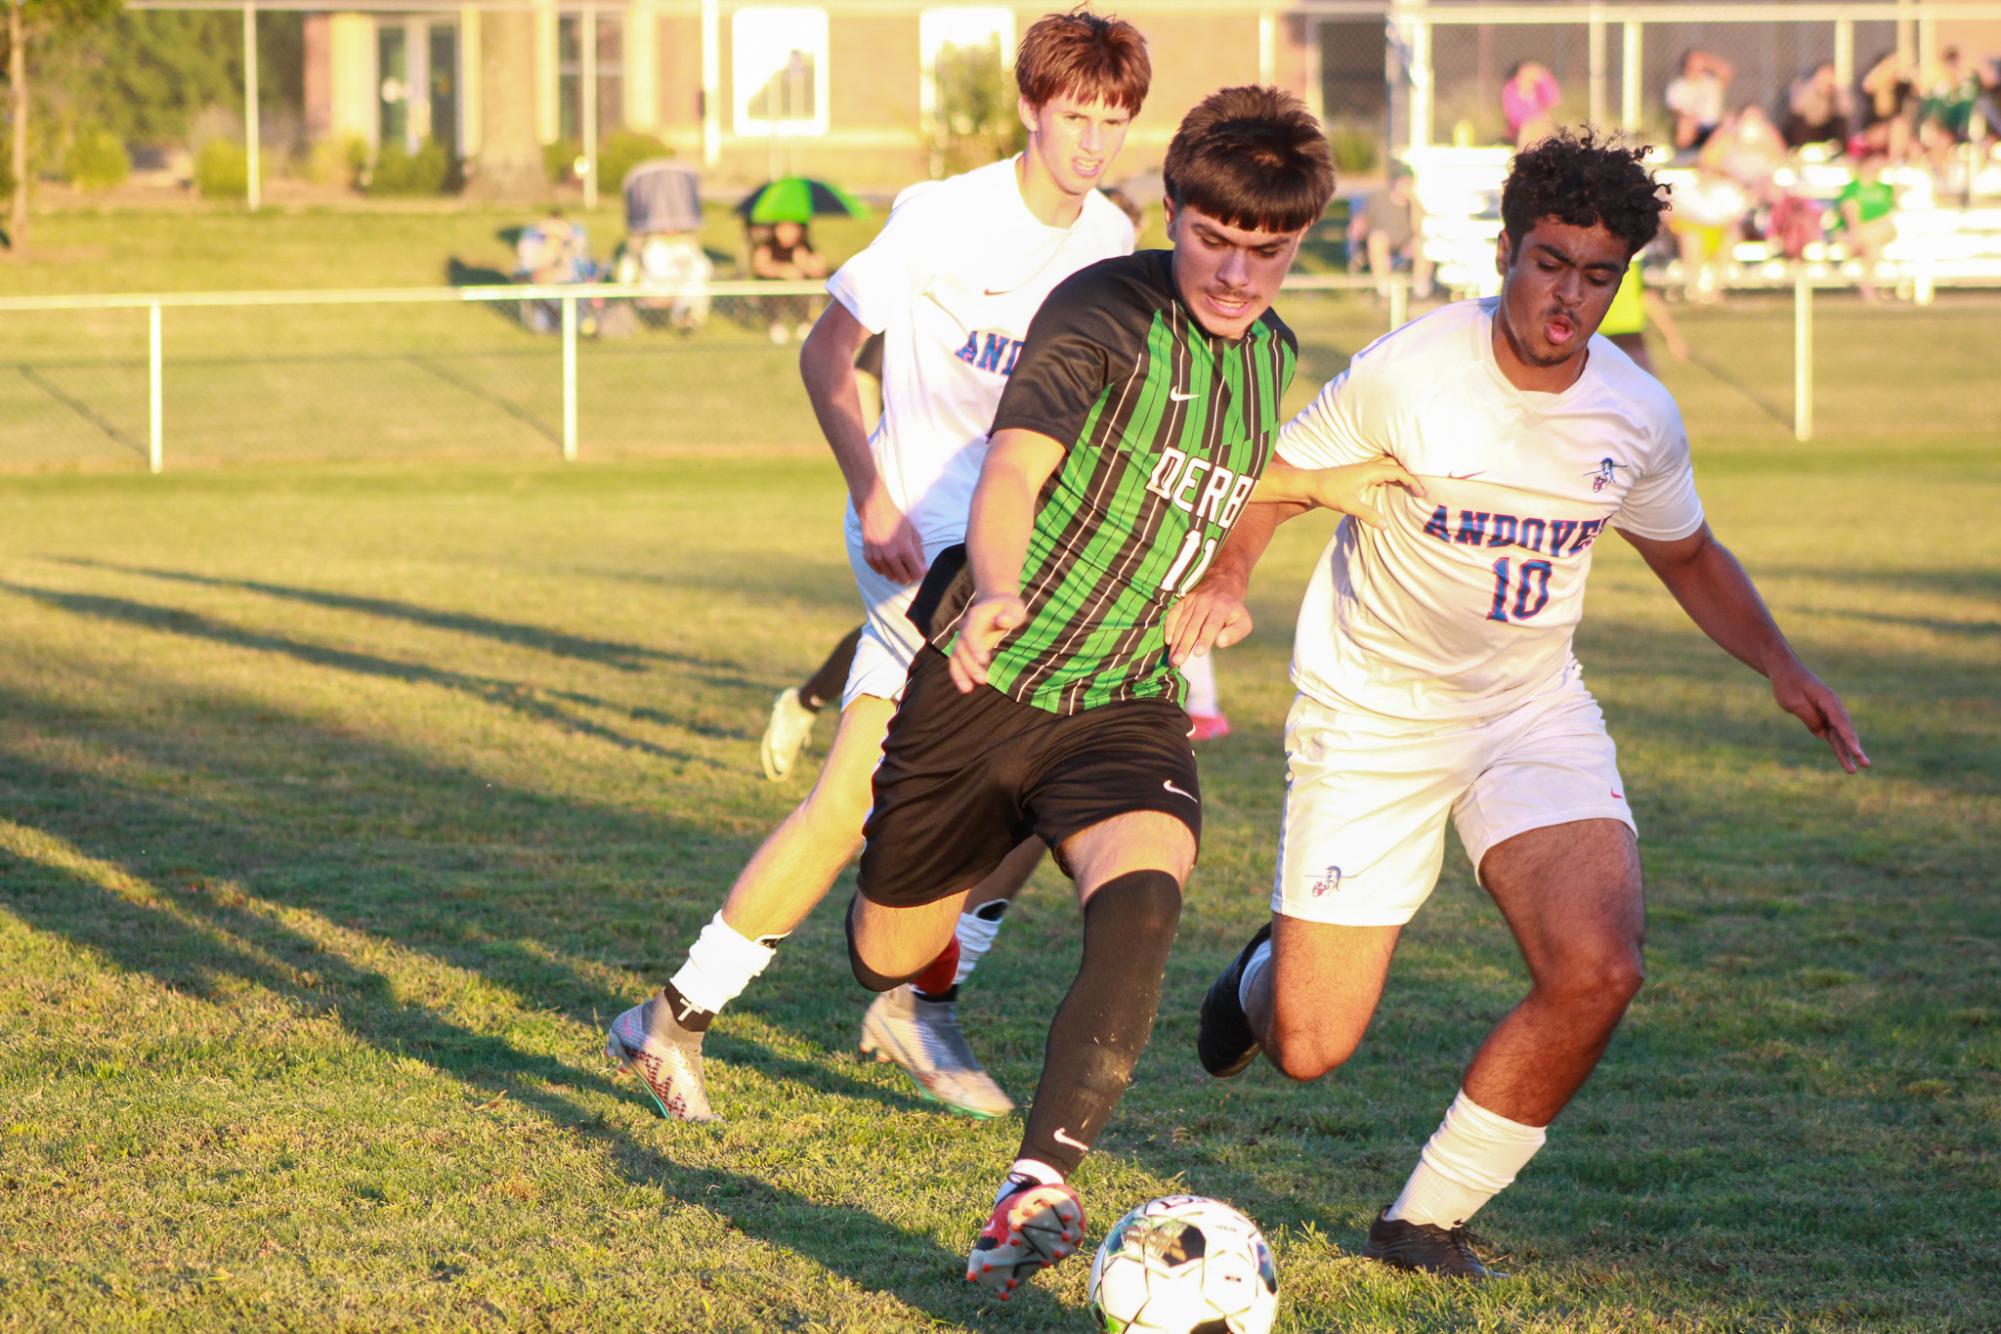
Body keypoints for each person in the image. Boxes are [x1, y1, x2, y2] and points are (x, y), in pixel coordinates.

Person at [1188, 129, 1867, 1280]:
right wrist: (1227, 572)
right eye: (1551, 262)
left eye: (1599, 275)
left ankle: (1425, 1217)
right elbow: (1277, 480)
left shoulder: (1636, 413)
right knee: (1309, 1045)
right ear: (1505, 249)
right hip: (1373, 714)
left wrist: (1781, 665)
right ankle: (1267, 972)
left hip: (1527, 710)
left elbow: (1688, 552)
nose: (1570, 295)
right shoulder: (1411, 368)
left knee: (1600, 967)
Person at [840, 85, 1354, 1300]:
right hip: (988, 678)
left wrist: (1231, 574)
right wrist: (1002, 587)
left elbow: (1256, 489)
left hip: (1122, 697)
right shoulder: (1104, 307)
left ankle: (1037, 1180)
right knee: (887, 952)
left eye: (1265, 252)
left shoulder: (1272, 358)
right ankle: (980, 870)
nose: (1234, 275)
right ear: (1168, 211)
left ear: (1297, 244)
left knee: (1149, 880)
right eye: (1212, 241)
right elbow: (1014, 468)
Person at [606, 10, 1151, 1124]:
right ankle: (684, 1015)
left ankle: (910, 991)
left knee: (1059, 784)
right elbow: (826, 351)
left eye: (1115, 119)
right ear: (1032, 108)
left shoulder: (1112, 247)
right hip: (917, 542)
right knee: (858, 796)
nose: (1094, 140)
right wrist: (870, 490)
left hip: (1025, 562)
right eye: (1076, 115)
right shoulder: (944, 216)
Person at [1349, 163, 1434, 301]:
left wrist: (1413, 203)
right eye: (1403, 181)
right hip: (1382, 242)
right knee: (1377, 239)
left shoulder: (1414, 204)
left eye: (1409, 182)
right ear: (1396, 182)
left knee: (1421, 243)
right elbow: (1363, 224)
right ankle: (1384, 288)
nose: (1406, 186)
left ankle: (1420, 288)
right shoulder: (1378, 200)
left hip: (1406, 243)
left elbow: (1419, 229)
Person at [1597, 259, 1687, 376]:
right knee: (1643, 388)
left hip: (1602, 337)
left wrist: (1672, 338)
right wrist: (1673, 339)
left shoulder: (1591, 261)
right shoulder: (1634, 263)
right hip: (1625, 336)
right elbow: (1650, 300)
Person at [1831, 152, 1898, 302]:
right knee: (1873, 244)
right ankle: (1870, 285)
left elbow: (1887, 216)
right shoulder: (1852, 188)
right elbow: (1852, 217)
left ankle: (1868, 285)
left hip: (1876, 234)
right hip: (1856, 235)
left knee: (1874, 238)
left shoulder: (1884, 188)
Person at [749, 219, 830, 343]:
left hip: (800, 290)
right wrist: (780, 270)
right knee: (772, 294)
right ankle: (775, 325)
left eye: (791, 229)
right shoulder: (768, 247)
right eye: (783, 228)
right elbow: (759, 266)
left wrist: (803, 264)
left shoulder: (804, 248)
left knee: (803, 294)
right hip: (775, 290)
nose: (787, 233)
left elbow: (821, 270)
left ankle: (804, 322)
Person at [1665, 50, 1734, 153]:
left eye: (1700, 68)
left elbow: (1727, 71)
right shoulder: (1677, 87)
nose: (1695, 71)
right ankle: (1684, 155)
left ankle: (1709, 158)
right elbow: (1675, 110)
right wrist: (1690, 118)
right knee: (1684, 124)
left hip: (1713, 127)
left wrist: (1706, 60)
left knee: (1730, 121)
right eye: (1692, 67)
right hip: (1692, 128)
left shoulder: (1711, 84)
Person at [1858, 50, 1919, 161]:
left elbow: (1922, 88)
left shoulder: (1901, 87)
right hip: (1874, 132)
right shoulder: (1875, 88)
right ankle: (1895, 160)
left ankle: (1899, 161)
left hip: (1897, 133)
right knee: (1898, 125)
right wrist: (1886, 66)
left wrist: (1908, 69)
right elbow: (1867, 84)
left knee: (1907, 136)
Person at [1783, 61, 1855, 149]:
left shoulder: (1838, 98)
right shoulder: (1804, 97)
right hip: (1803, 144)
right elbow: (1798, 128)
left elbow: (1841, 130)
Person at [1501, 61, 1561, 147]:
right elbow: (1514, 118)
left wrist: (1543, 76)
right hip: (1519, 134)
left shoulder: (1537, 90)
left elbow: (1553, 99)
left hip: (1541, 132)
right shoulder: (1511, 91)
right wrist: (1537, 118)